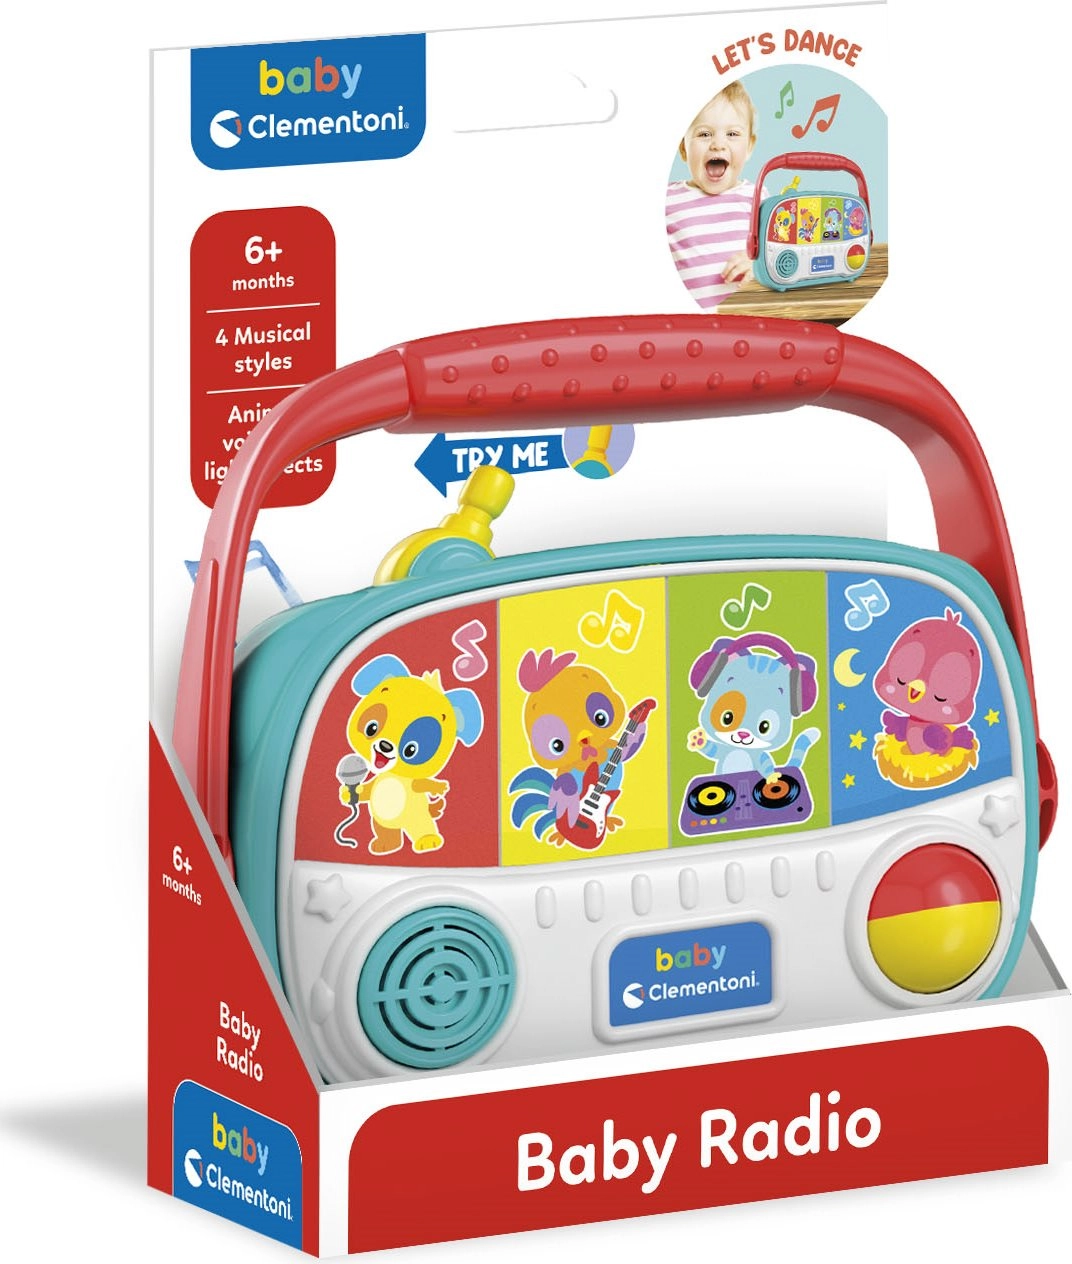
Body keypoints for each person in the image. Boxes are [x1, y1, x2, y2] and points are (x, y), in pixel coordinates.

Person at [666, 82, 765, 309]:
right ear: (683, 148)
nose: (718, 145)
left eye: (732, 134)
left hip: (748, 322)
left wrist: (758, 266)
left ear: (749, 146)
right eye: (704, 134)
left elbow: (777, 256)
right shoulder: (667, 201)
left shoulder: (758, 198)